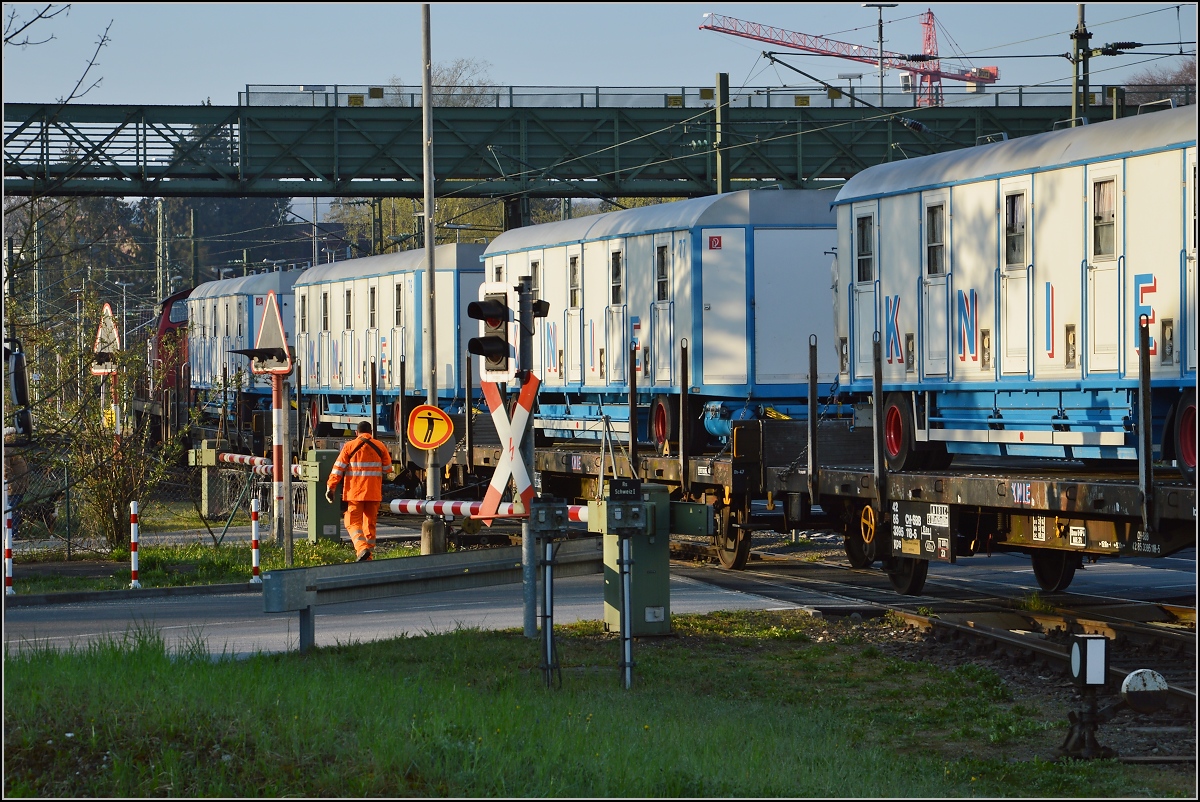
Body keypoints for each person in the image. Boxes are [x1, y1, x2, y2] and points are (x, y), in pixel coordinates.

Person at [326, 421, 395, 562]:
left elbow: (337, 470)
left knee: (352, 522)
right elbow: (388, 469)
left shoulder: (349, 447)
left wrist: (331, 487)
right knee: (369, 525)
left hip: (355, 492)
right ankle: (368, 557)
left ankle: (361, 548)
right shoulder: (380, 446)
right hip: (373, 493)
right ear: (371, 432)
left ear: (356, 432)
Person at [4, 446, 30, 541]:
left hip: (20, 487)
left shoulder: (15, 448)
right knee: (12, 510)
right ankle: (11, 534)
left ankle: (14, 532)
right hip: (13, 488)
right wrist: (12, 483)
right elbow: (5, 469)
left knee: (17, 511)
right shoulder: (5, 449)